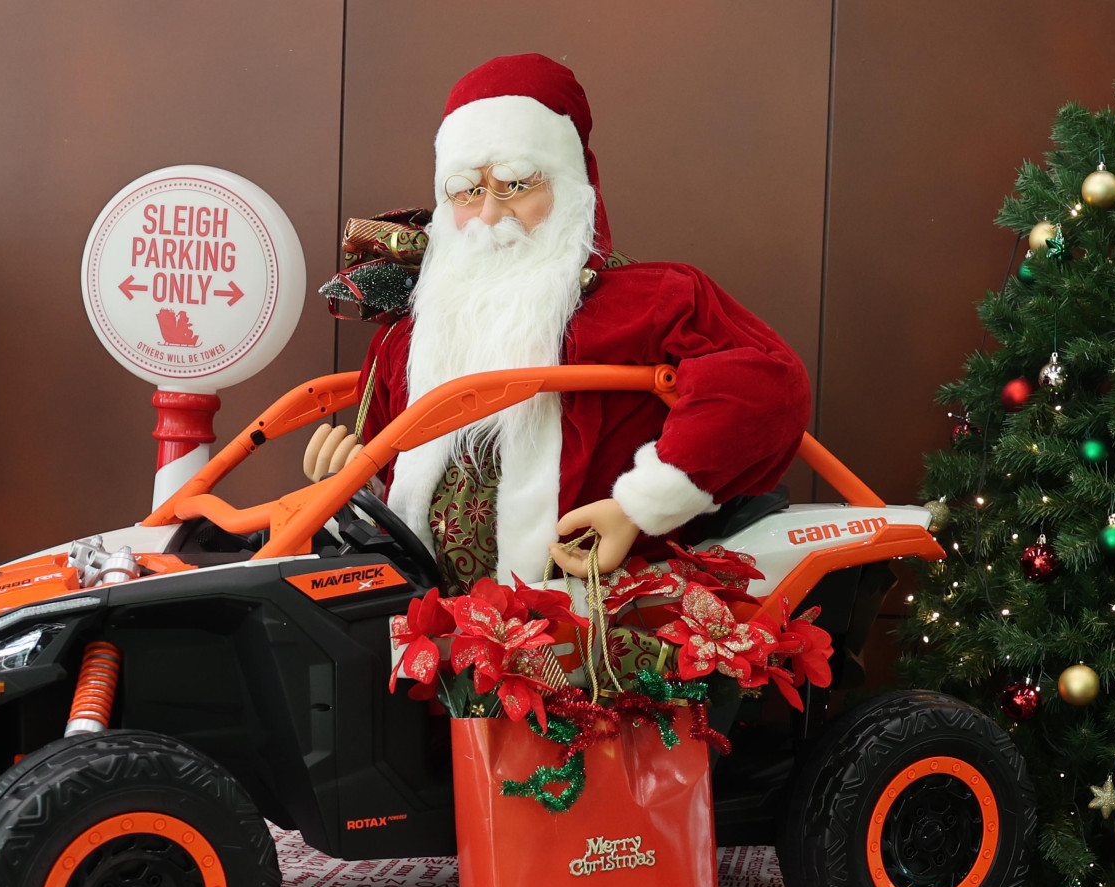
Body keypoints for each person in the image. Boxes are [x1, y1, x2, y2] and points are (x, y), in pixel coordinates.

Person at [303, 53, 811, 590]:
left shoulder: (651, 300)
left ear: (570, 185)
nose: (490, 216)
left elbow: (765, 383)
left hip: (592, 633)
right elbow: (381, 482)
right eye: (467, 192)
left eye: (516, 185)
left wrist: (638, 507)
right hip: (431, 636)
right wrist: (344, 492)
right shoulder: (409, 336)